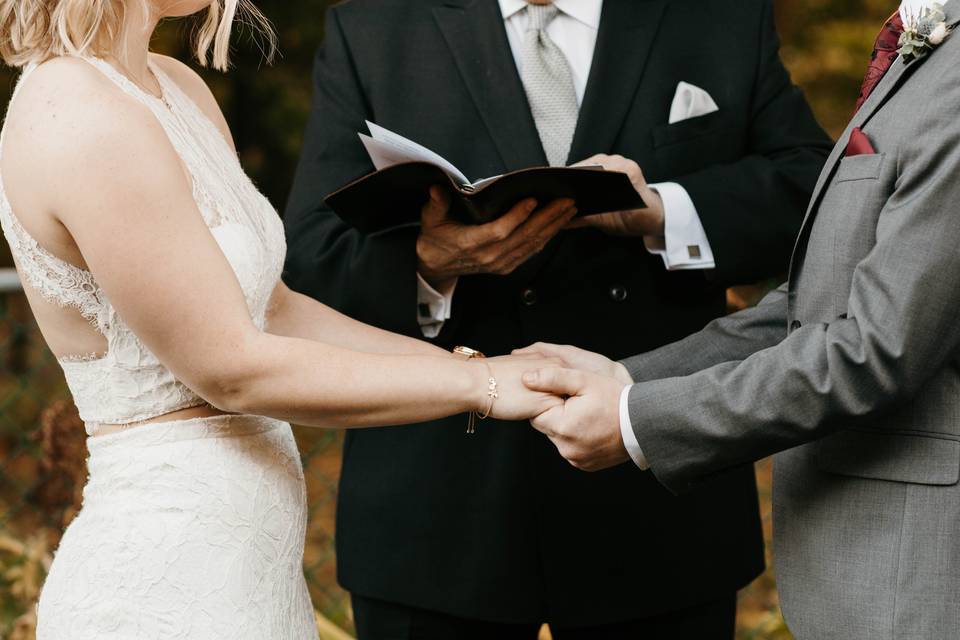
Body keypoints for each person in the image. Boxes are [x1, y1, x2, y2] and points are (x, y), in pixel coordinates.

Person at [0, 1, 559, 638]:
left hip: (254, 578)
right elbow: (231, 370)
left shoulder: (175, 86)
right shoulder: (77, 112)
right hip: (166, 584)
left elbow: (277, 311)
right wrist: (481, 390)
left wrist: (485, 368)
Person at [283, 0, 832, 636]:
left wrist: (661, 210)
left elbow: (813, 194)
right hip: (437, 504)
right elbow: (312, 256)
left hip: (655, 501)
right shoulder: (376, 25)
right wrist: (433, 261)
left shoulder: (716, 15)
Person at [520, 0, 960, 638]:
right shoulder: (926, 39)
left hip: (916, 563)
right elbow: (820, 298)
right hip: (864, 558)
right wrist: (628, 378)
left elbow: (875, 348)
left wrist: (635, 420)